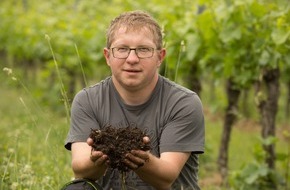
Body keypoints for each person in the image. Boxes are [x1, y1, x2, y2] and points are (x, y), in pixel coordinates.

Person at [64, 10, 205, 190]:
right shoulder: (87, 100)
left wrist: (140, 158)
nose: (132, 59)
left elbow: (166, 177)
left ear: (160, 57)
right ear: (108, 56)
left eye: (143, 50)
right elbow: (80, 171)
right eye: (122, 49)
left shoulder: (183, 103)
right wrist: (99, 157)